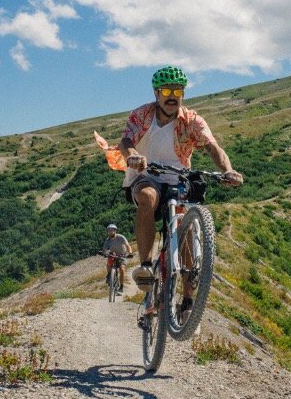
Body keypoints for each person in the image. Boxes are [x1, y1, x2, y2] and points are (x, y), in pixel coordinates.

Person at [118, 66, 243, 311]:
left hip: (178, 178)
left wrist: (228, 169)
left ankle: (187, 298)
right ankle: (145, 266)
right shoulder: (142, 115)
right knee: (147, 196)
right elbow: (126, 141)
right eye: (166, 90)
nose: (172, 95)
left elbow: (212, 147)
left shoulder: (193, 121)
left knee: (186, 229)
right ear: (157, 93)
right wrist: (132, 155)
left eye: (177, 90)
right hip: (147, 175)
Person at [101, 223, 130, 294]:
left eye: (111, 230)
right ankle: (109, 275)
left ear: (115, 231)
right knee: (108, 263)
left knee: (122, 269)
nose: (110, 232)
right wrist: (104, 253)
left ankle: (121, 286)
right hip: (113, 255)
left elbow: (128, 245)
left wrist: (130, 253)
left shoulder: (121, 237)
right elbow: (104, 249)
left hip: (122, 255)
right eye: (109, 231)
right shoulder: (108, 240)